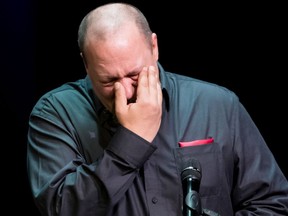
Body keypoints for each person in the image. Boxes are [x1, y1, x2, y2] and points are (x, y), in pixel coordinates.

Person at [27, 2, 288, 216]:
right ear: (86, 63)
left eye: (134, 74)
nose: (126, 92)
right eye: (108, 81)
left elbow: (272, 203)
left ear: (154, 47)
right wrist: (133, 139)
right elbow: (60, 208)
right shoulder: (55, 113)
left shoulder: (218, 104)